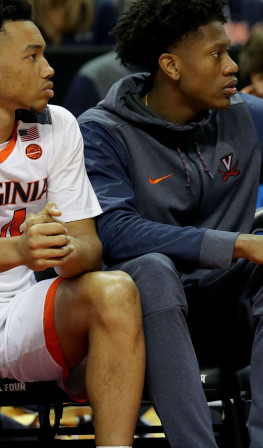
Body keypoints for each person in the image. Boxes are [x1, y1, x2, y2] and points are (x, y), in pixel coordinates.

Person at [78, 0, 263, 447]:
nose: (232, 66)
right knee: (153, 269)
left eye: (229, 51)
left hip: (223, 314)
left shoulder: (245, 114)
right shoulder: (100, 131)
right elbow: (114, 231)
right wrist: (240, 244)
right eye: (216, 54)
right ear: (171, 66)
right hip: (139, 323)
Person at [0, 1, 144, 447]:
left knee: (115, 290)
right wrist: (18, 250)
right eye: (32, 56)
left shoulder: (57, 123)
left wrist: (61, 248)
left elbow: (89, 245)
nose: (48, 68)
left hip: (18, 310)